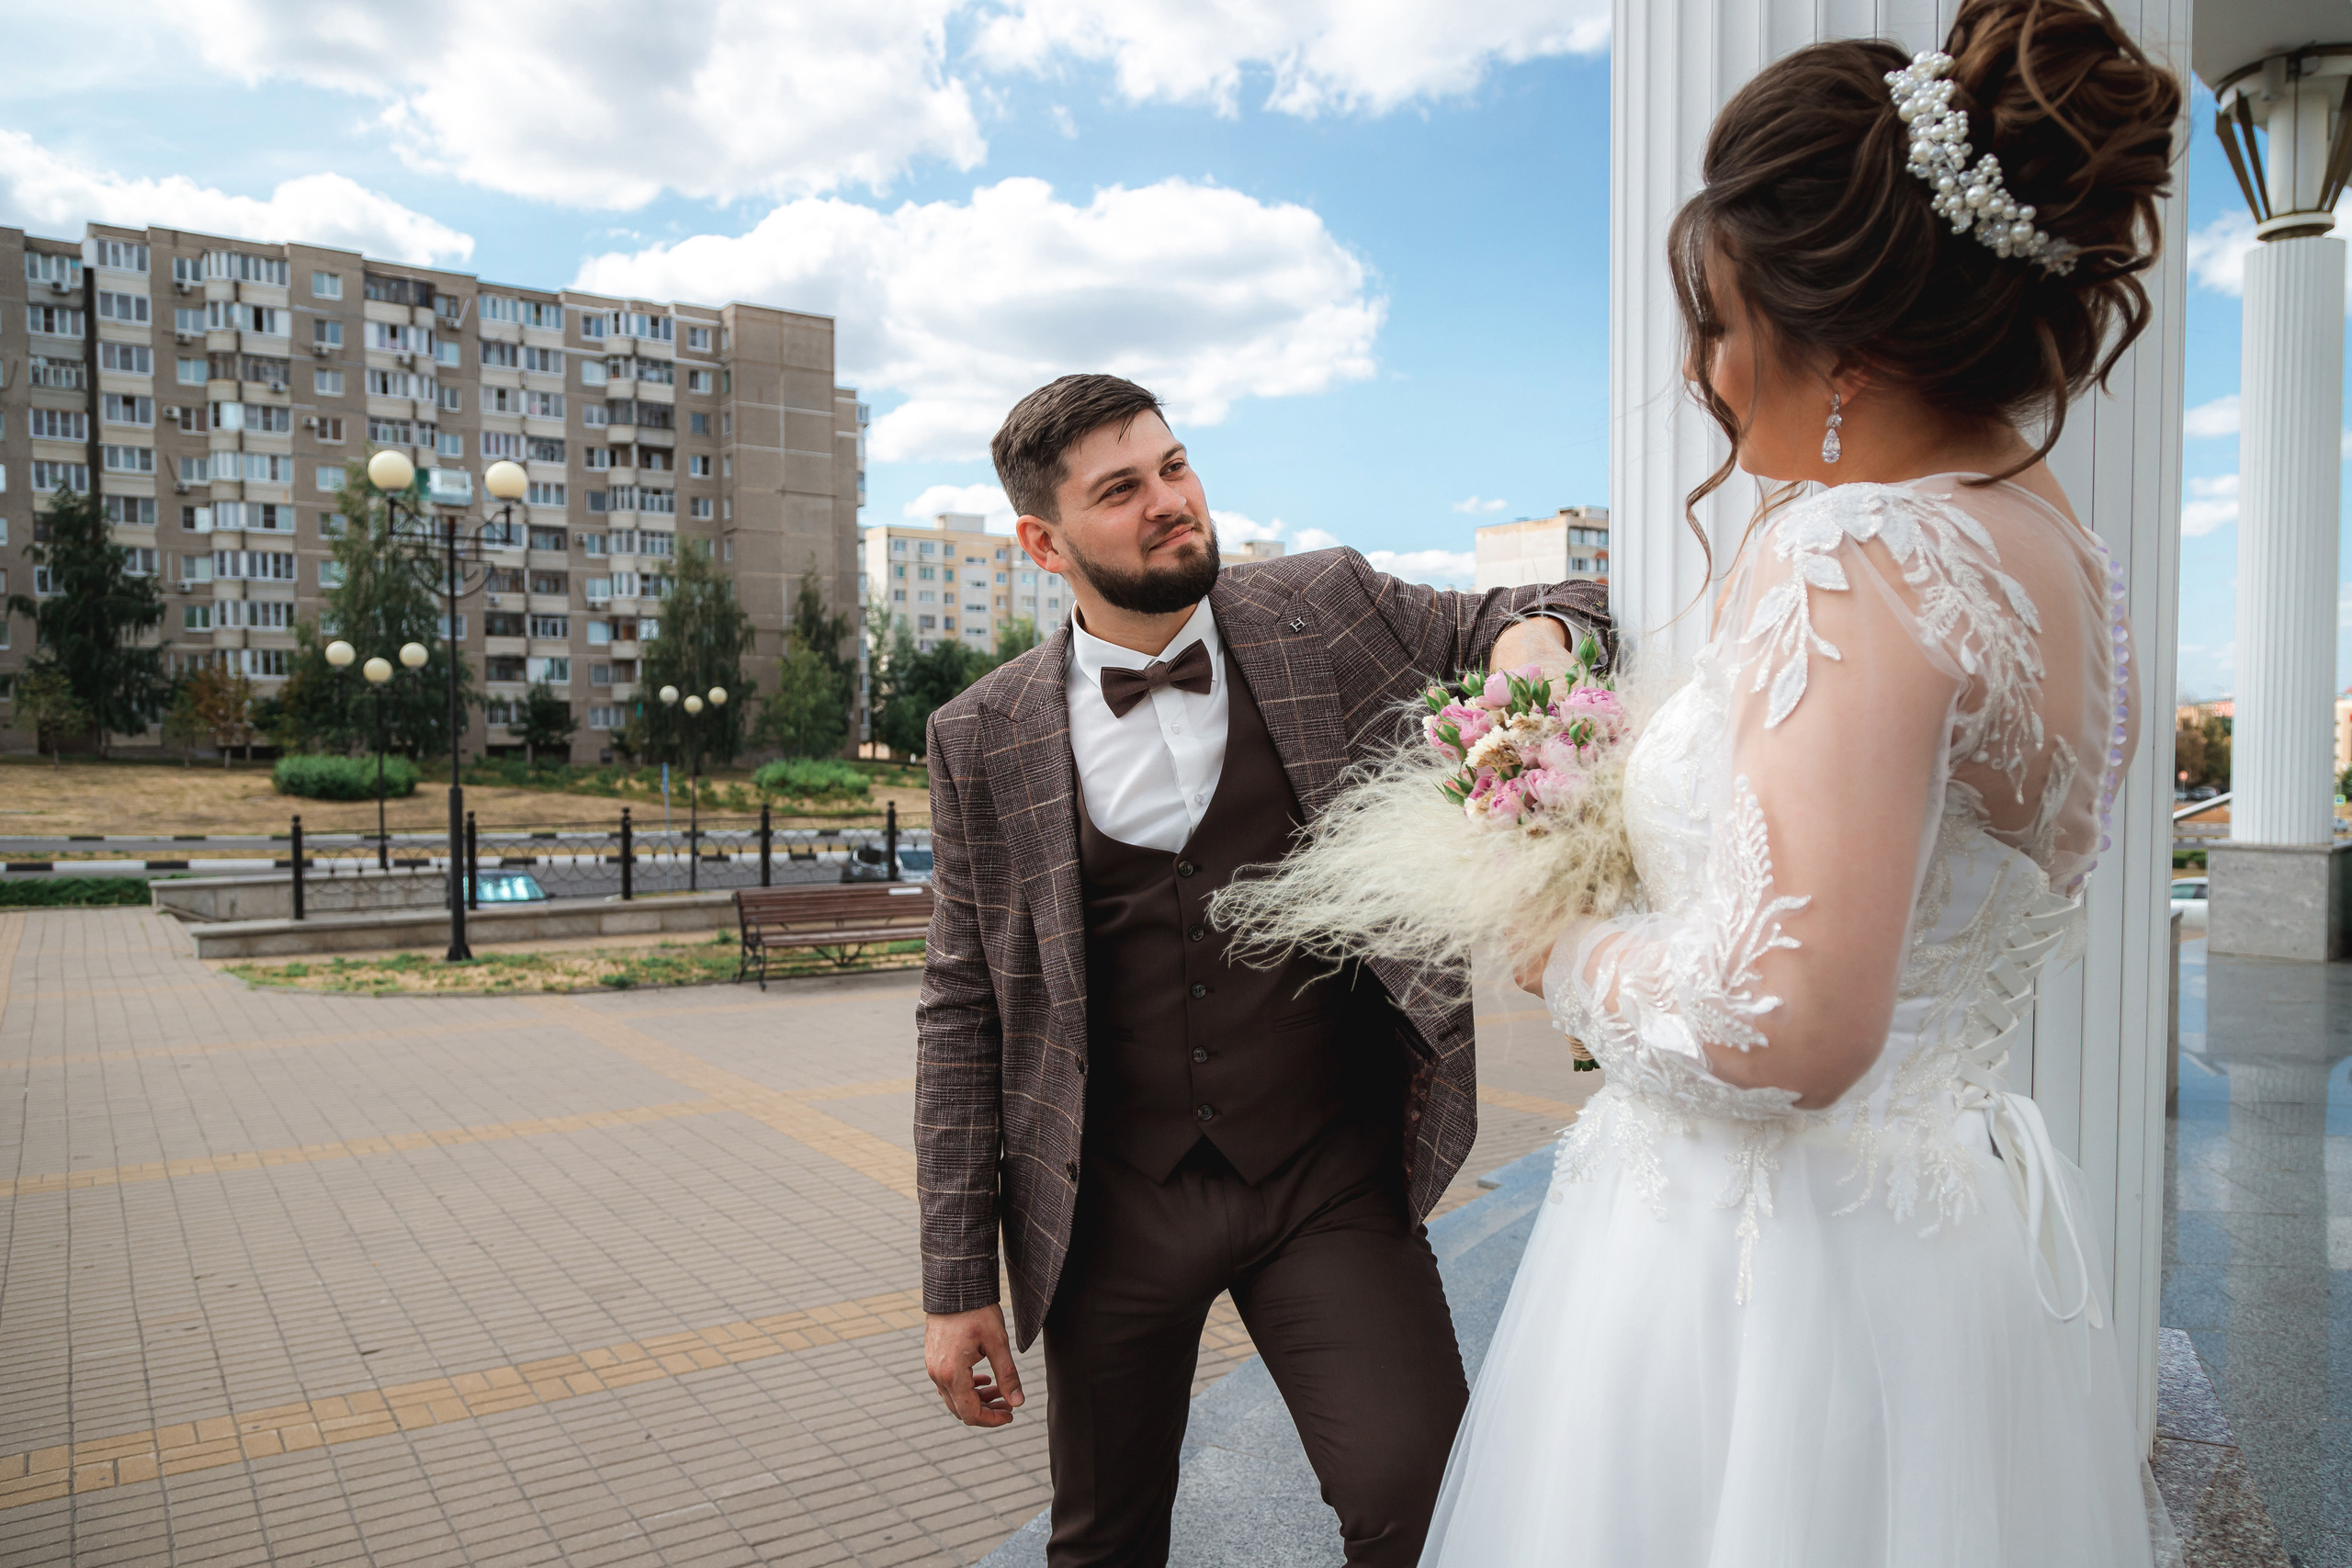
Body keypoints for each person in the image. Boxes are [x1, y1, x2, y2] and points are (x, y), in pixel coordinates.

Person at [1418, 2, 2177, 1563]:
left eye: (1715, 319)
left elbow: (1782, 1030)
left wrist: (1550, 938)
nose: (1702, 369)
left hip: (1761, 1287)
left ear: (1835, 328)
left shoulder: (1860, 549)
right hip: (1942, 1258)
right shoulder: (2066, 562)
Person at [914, 372, 1609, 1567]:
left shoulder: (1323, 609)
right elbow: (961, 1010)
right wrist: (953, 1277)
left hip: (1321, 1182)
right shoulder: (980, 735)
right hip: (1110, 1210)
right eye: (1122, 490)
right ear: (1042, 542)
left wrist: (1535, 645)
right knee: (1103, 1541)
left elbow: (1565, 600)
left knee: (1422, 1498)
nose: (1170, 502)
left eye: (1174, 467)